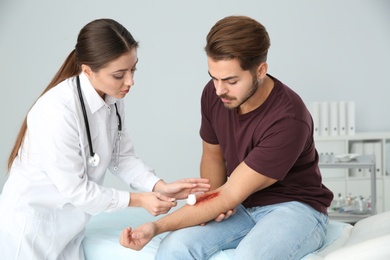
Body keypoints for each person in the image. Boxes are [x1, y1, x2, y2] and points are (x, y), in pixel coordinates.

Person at [119, 15, 334, 260]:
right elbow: (213, 156)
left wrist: (157, 226)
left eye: (231, 81)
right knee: (174, 248)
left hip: (294, 208)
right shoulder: (214, 94)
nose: (220, 89)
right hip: (242, 205)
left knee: (248, 257)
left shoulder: (288, 120)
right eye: (214, 77)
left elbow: (230, 194)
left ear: (260, 70)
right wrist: (211, 204)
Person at [0, 18, 210, 259]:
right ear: (88, 70)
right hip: (30, 231)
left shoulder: (112, 97)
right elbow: (77, 191)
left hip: (69, 230)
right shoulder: (56, 111)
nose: (130, 81)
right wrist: (140, 200)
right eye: (119, 74)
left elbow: (122, 157)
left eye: (133, 69)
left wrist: (160, 186)